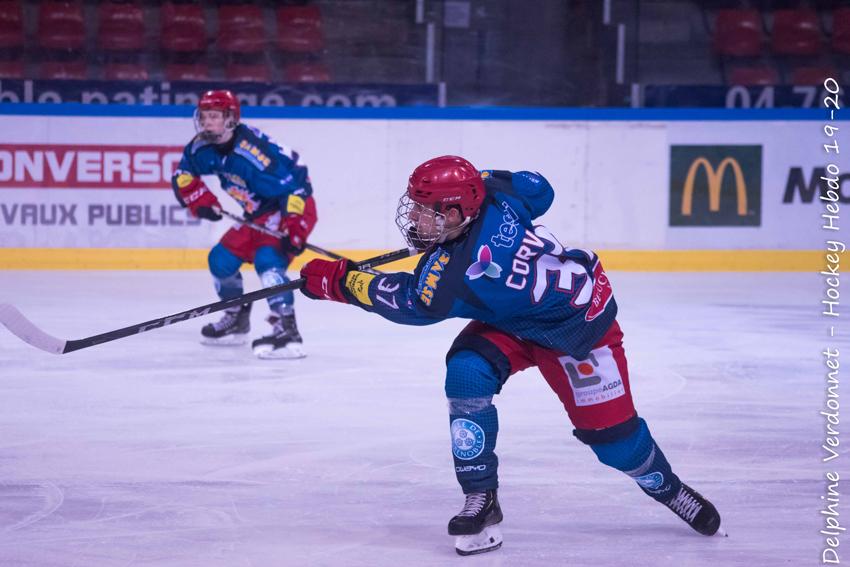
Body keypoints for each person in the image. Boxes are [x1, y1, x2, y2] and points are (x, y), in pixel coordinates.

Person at [298, 156, 723, 555]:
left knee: (617, 446)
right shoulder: (495, 195)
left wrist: (338, 282)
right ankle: (481, 497)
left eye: (424, 210)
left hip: (577, 331)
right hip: (515, 318)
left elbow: (409, 301)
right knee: (466, 373)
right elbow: (540, 191)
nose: (413, 218)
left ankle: (671, 490)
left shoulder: (454, 278)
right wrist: (484, 182)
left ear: (453, 213)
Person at [172, 90, 317, 359]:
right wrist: (201, 201)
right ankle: (236, 316)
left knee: (268, 261)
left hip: (291, 206)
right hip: (259, 212)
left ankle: (286, 327)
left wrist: (294, 227)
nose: (207, 122)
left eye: (214, 116)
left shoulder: (254, 158)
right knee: (220, 260)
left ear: (230, 118)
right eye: (204, 116)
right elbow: (184, 175)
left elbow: (295, 190)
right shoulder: (201, 148)